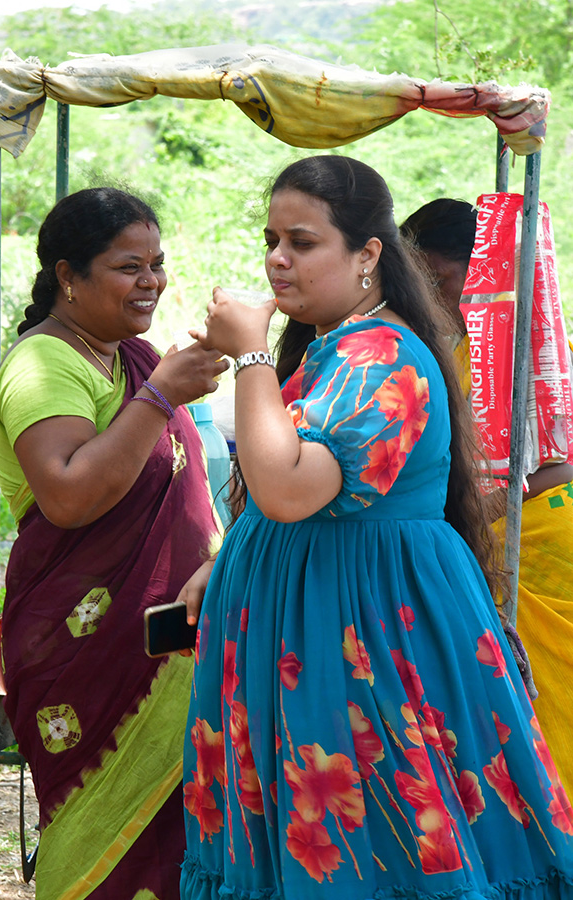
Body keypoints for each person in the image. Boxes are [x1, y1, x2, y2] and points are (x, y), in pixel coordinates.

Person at [176, 156, 573, 900]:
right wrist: (228, 559)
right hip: (316, 628)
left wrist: (253, 355)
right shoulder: (337, 346)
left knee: (370, 847)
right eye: (271, 239)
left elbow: (291, 489)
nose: (277, 259)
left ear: (367, 255)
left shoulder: (382, 357)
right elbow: (284, 494)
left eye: (302, 241)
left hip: (360, 645)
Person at [0, 186, 228, 899]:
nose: (151, 282)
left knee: (181, 843)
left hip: (169, 643)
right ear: (68, 275)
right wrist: (160, 398)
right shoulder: (43, 366)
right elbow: (70, 495)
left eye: (158, 264)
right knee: (100, 841)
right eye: (128, 267)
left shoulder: (130, 358)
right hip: (82, 651)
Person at [401, 197, 573, 797]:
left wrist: (467, 515)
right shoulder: (444, 353)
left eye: (438, 279)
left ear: (476, 273)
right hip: (485, 540)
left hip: (541, 542)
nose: (429, 295)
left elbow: (554, 462)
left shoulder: (522, 349)